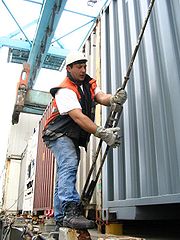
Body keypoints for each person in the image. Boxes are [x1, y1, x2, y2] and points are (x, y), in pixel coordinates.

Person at [42, 51, 127, 230]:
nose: (83, 70)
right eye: (79, 67)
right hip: (57, 133)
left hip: (71, 136)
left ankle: (60, 216)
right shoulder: (65, 90)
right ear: (69, 68)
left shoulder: (88, 84)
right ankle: (71, 212)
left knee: (65, 170)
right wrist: (103, 133)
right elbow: (78, 118)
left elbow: (100, 97)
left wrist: (113, 99)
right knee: (70, 164)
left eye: (84, 66)